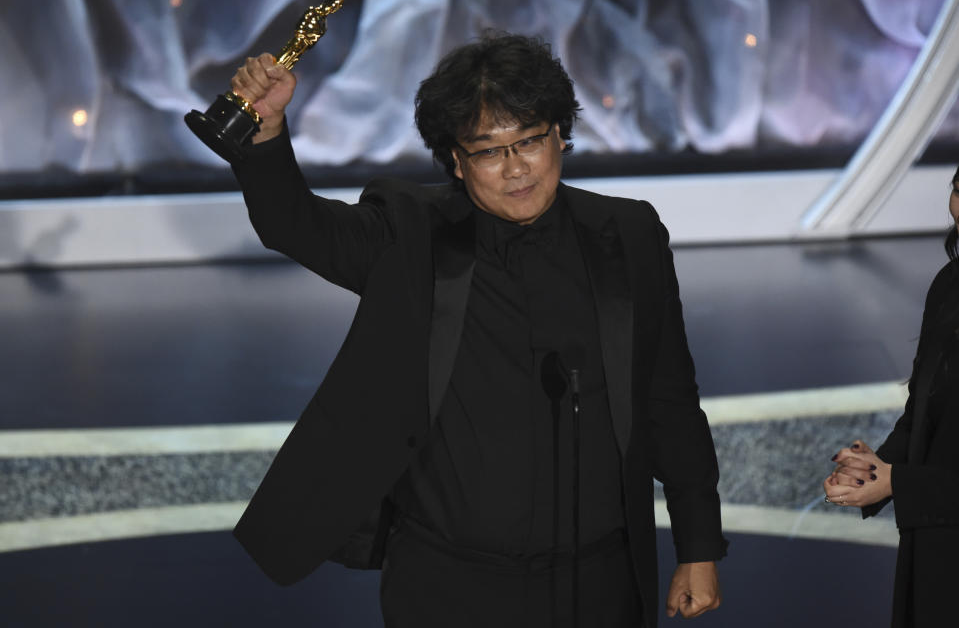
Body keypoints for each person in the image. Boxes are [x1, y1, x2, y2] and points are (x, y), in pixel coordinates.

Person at [228, 32, 727, 627]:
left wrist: (698, 547)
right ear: (457, 163)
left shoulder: (629, 234)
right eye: (489, 152)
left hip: (598, 579)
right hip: (446, 583)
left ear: (560, 135)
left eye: (531, 141)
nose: (516, 169)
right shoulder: (411, 237)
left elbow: (669, 399)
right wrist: (263, 131)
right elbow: (294, 224)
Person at [824, 166, 959, 628]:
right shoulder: (949, 284)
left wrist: (899, 482)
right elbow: (924, 410)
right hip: (936, 548)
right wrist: (872, 471)